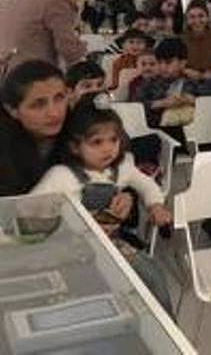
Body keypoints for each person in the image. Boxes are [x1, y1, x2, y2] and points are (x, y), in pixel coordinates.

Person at [31, 94, 173, 313]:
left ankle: (166, 326)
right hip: (70, 251)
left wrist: (156, 206)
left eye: (113, 140)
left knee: (151, 275)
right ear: (75, 146)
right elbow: (28, 207)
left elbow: (147, 184)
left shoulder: (121, 168)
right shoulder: (62, 175)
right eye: (96, 142)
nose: (108, 148)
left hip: (110, 245)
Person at [0, 61, 73, 196]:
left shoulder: (80, 126)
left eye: (59, 98)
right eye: (39, 104)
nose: (54, 113)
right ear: (12, 110)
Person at [136, 37, 198, 144]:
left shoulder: (192, 83)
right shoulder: (149, 83)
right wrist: (161, 103)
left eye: (168, 62)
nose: (163, 67)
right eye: (160, 62)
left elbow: (208, 103)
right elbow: (135, 106)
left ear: (182, 63)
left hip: (188, 132)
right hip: (155, 133)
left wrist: (191, 100)